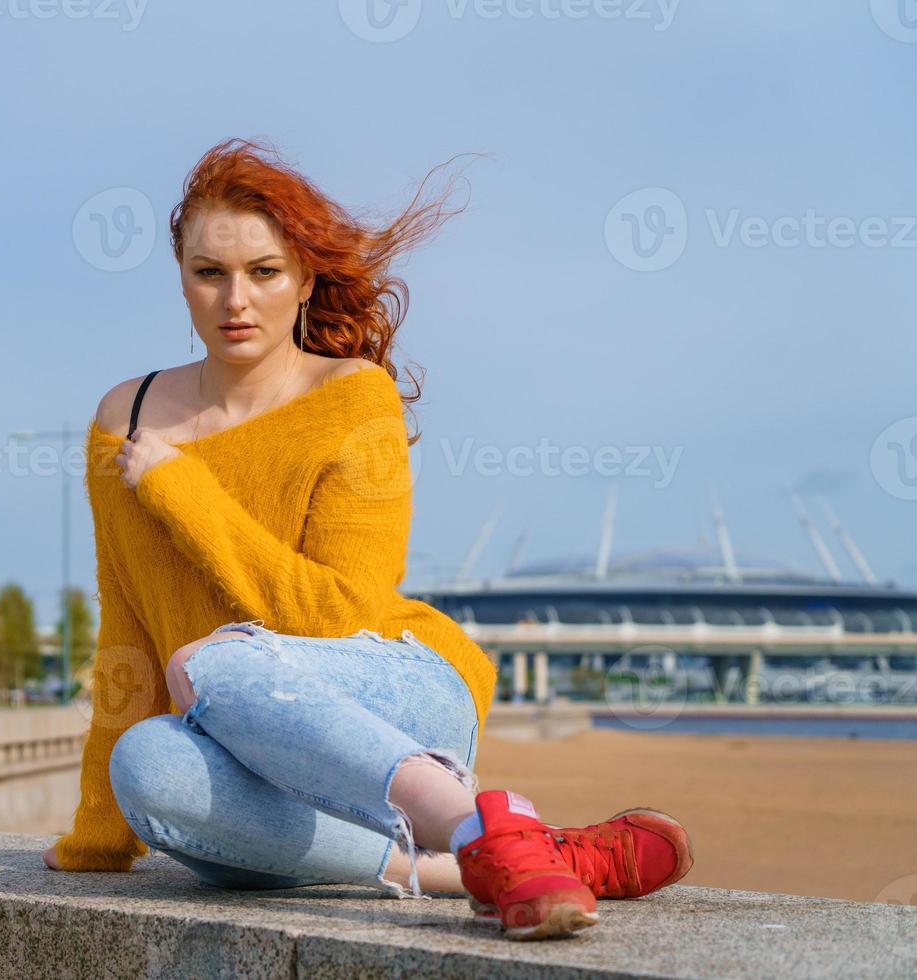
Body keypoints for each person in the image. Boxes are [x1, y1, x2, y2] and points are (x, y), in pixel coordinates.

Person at [42, 139, 692, 941]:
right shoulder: (124, 420)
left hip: (391, 696)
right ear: (181, 277)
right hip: (236, 739)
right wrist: (100, 835)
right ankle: (500, 851)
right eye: (209, 273)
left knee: (207, 659)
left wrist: (185, 494)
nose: (234, 300)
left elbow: (341, 613)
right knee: (147, 761)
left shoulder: (354, 399)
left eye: (265, 272)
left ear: (306, 279)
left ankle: (470, 826)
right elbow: (128, 625)